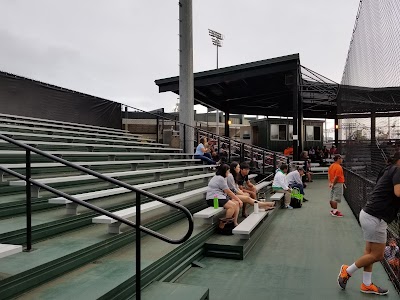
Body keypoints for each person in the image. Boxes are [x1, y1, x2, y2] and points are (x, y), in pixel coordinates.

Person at [337, 155, 400, 295]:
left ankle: (366, 284)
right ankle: (347, 271)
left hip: (369, 215)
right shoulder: (397, 170)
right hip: (375, 218)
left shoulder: (388, 169)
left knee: (369, 253)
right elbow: (398, 192)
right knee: (377, 255)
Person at [206, 164, 243, 231]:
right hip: (214, 198)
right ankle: (222, 226)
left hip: (220, 197)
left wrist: (237, 200)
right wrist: (239, 199)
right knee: (232, 206)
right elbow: (228, 191)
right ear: (224, 171)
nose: (229, 173)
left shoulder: (222, 177)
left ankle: (234, 223)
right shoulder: (220, 178)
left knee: (236, 203)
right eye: (228, 171)